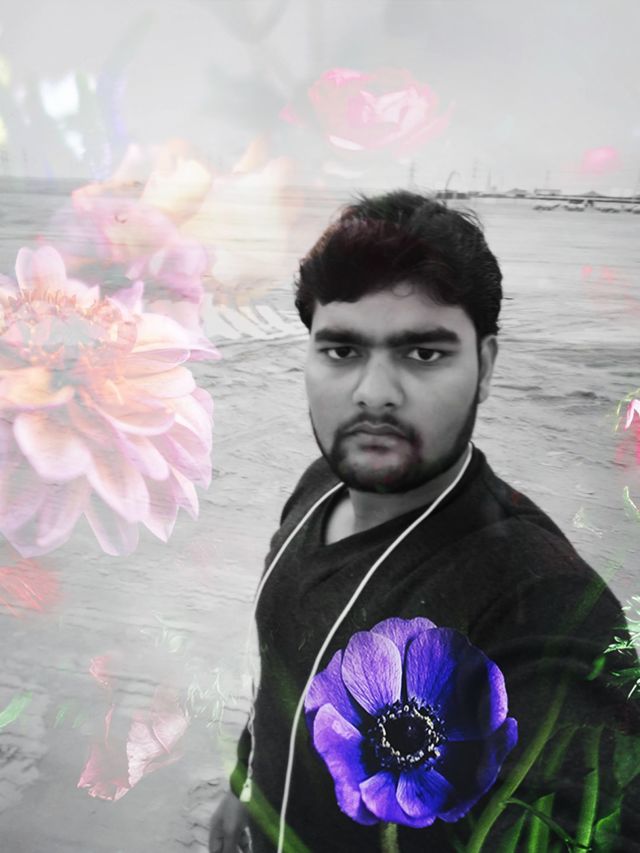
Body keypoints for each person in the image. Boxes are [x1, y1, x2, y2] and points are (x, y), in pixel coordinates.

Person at [210, 190, 639, 852]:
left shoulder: (543, 602)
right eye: (341, 350)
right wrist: (244, 786)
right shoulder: (319, 488)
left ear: (485, 367)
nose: (374, 392)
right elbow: (280, 673)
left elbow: (592, 824)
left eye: (423, 353)